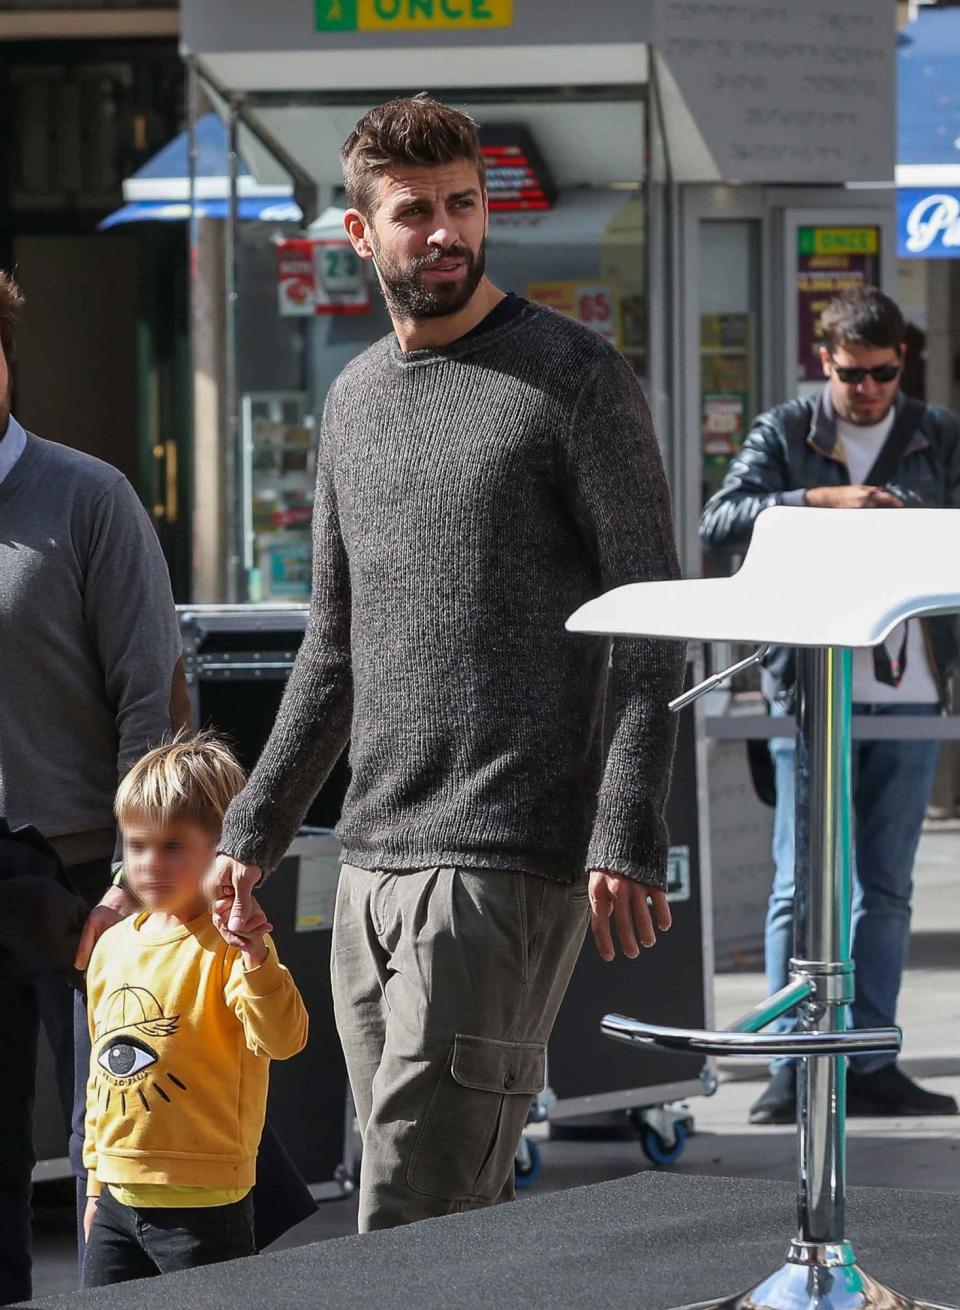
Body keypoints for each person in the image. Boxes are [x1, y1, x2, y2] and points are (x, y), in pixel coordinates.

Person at [209, 94, 685, 1232]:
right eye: (413, 211)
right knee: (415, 1213)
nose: (444, 231)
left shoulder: (573, 375)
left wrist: (627, 820)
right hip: (369, 859)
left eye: (463, 204)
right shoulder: (353, 399)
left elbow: (653, 617)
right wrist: (251, 832)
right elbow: (332, 647)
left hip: (504, 857)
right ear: (359, 236)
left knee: (411, 1203)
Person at [700, 285, 960, 1125]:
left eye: (885, 374)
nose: (870, 391)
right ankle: (790, 1064)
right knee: (800, 883)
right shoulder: (786, 430)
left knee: (884, 887)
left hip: (909, 686)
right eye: (854, 375)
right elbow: (721, 518)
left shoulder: (936, 434)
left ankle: (873, 1056)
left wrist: (909, 518)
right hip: (810, 683)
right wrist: (822, 499)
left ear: (902, 365)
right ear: (827, 362)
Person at [0, 268, 191, 1305]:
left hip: (85, 875)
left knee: (117, 1148)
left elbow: (152, 699)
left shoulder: (88, 496)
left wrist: (136, 877)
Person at [81, 734, 308, 1288]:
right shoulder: (113, 946)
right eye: (136, 845)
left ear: (222, 848)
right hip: (115, 1198)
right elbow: (99, 1073)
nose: (149, 862)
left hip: (205, 1203)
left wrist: (256, 959)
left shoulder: (233, 944)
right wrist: (94, 1184)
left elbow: (283, 1040)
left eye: (173, 846)